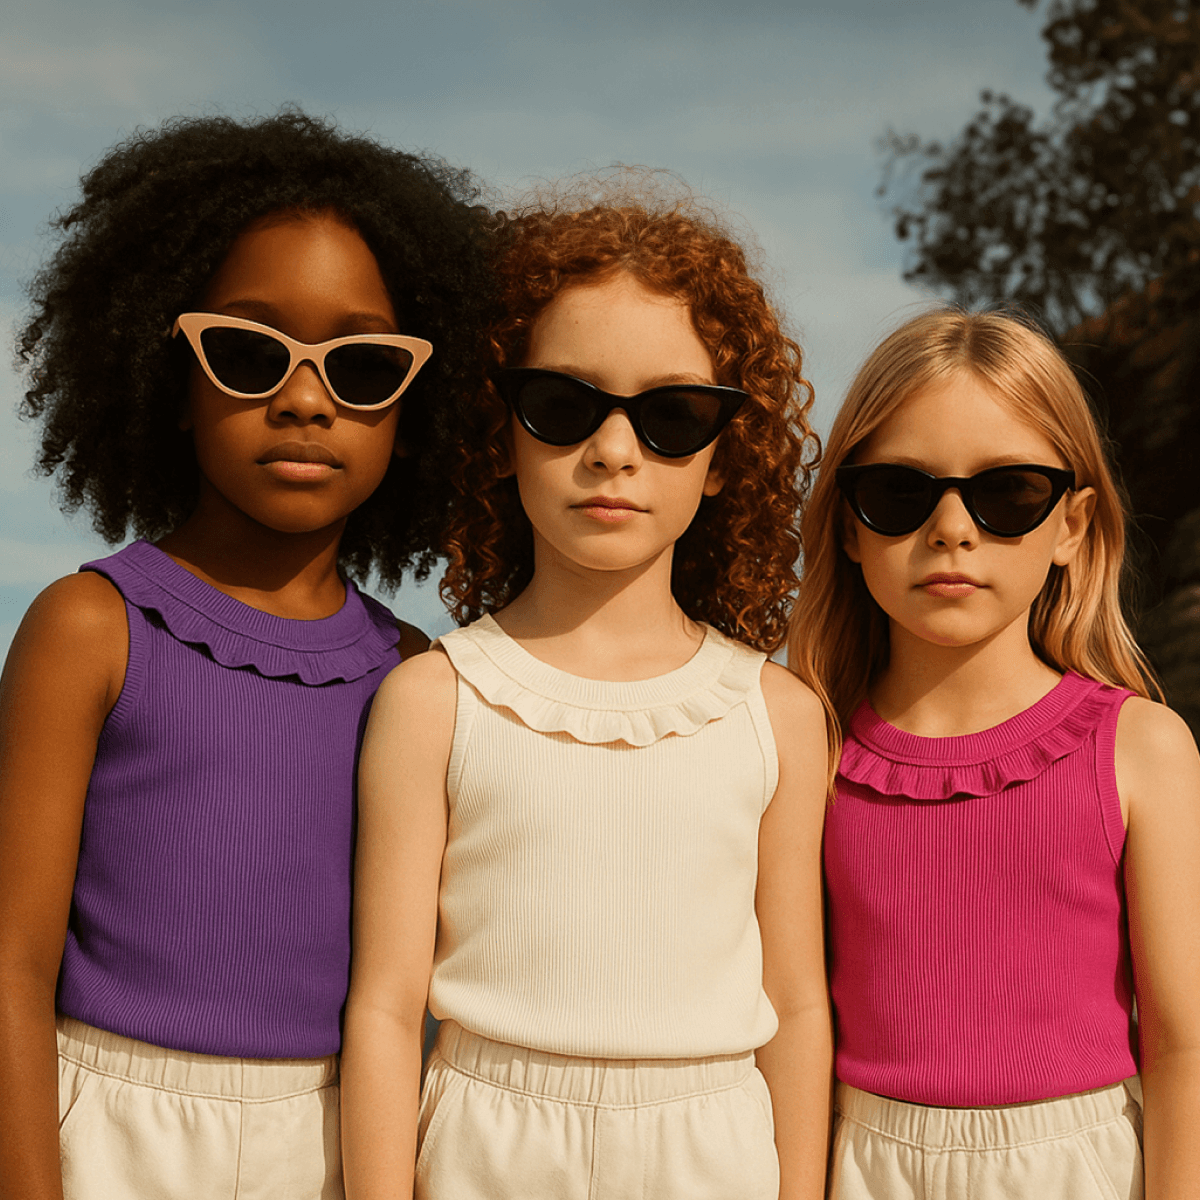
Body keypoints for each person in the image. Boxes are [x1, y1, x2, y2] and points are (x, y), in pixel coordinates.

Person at [0, 110, 496, 1200]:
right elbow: (11, 962)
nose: (306, 398)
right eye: (246, 350)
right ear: (167, 374)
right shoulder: (90, 627)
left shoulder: (416, 674)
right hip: (108, 1137)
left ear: (413, 412)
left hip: (332, 1142)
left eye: (362, 368)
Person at [341, 180, 833, 1200]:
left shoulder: (777, 716)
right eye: (565, 406)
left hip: (715, 1153)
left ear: (724, 459)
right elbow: (386, 1008)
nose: (614, 451)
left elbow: (796, 1000)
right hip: (481, 1147)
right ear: (501, 430)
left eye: (673, 415)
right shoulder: (432, 700)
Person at [788, 308, 1200, 1197]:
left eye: (1007, 492)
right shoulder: (802, 748)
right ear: (849, 523)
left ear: (1072, 525)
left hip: (1083, 1168)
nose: (950, 528)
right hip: (859, 1164)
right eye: (899, 492)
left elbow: (1184, 1043)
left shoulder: (1142, 747)